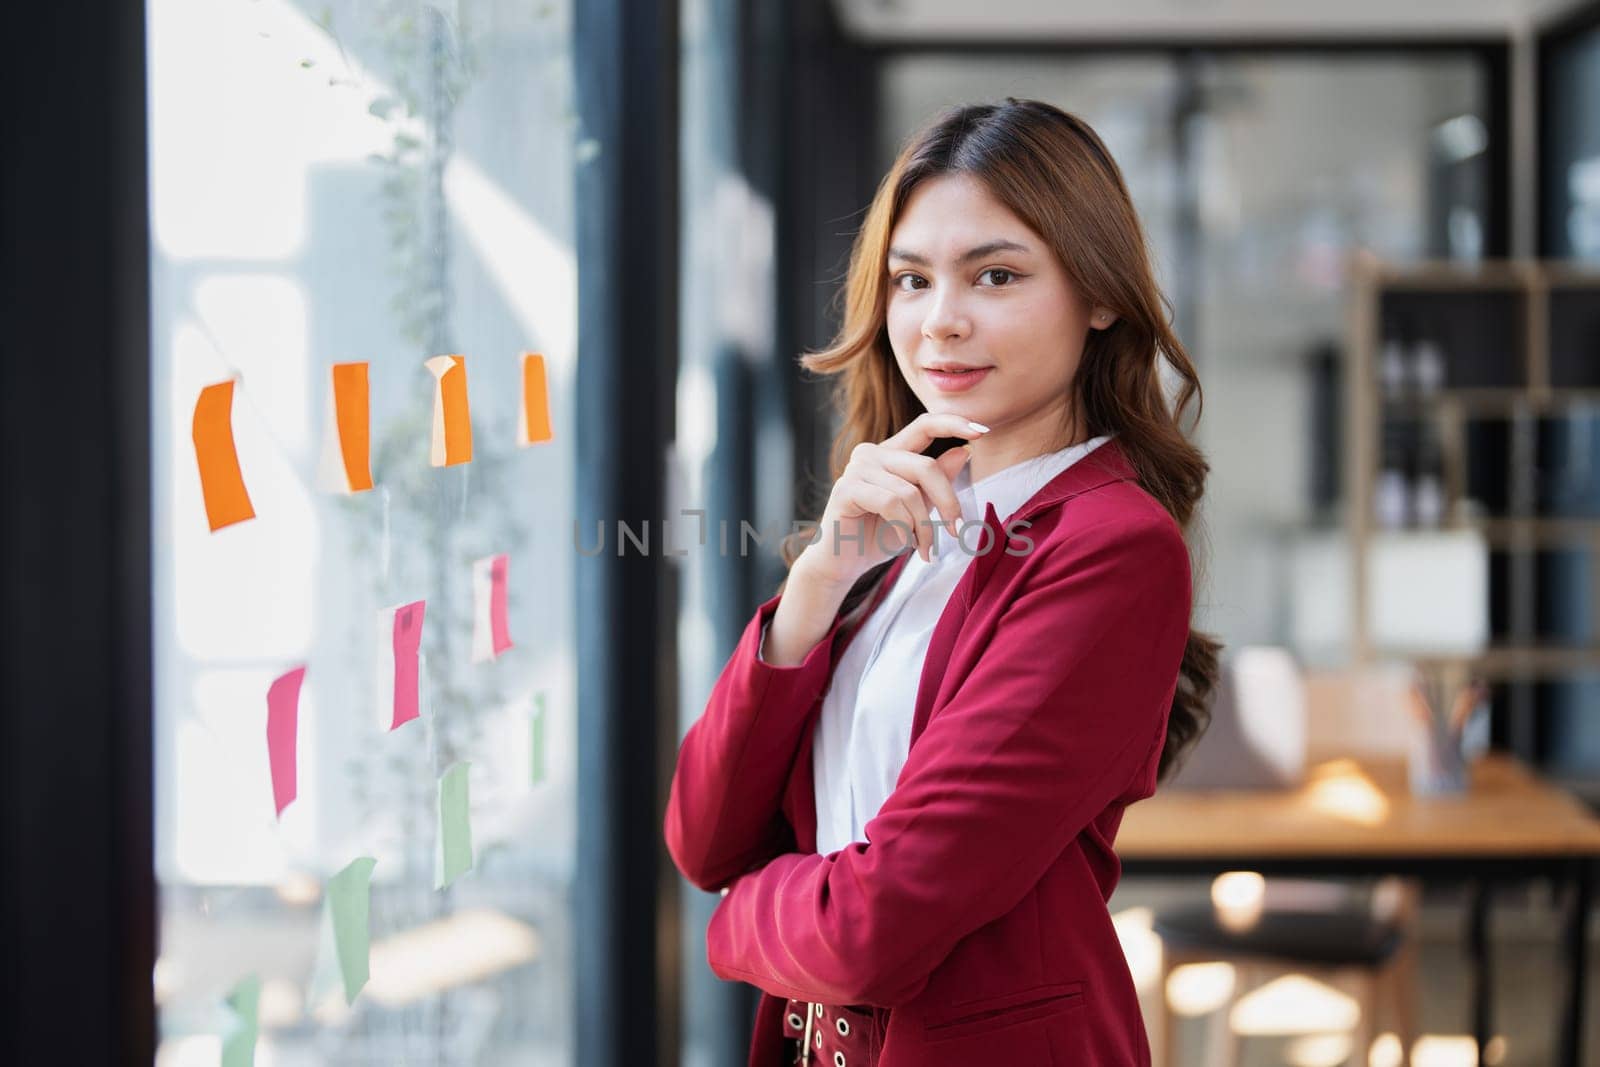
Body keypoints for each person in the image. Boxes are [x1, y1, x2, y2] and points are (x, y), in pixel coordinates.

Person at [664, 97, 1221, 1067]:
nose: (941, 321)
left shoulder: (1110, 546)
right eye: (911, 279)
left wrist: (731, 922)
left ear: (1098, 294)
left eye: (995, 275)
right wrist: (816, 585)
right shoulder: (891, 523)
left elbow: (871, 926)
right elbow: (703, 837)